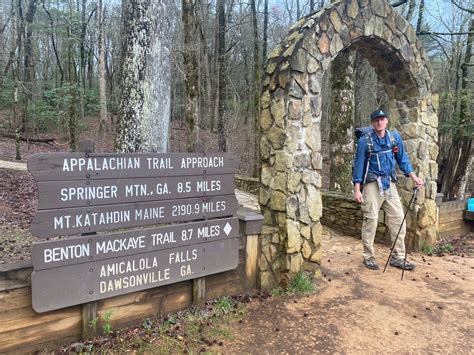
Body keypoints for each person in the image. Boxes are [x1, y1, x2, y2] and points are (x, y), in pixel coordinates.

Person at [352, 109, 424, 271]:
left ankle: (398, 257)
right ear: (372, 123)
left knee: (398, 219)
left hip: (389, 183)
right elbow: (359, 165)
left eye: (382, 119)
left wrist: (414, 177)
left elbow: (402, 160)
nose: (379, 122)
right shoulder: (365, 141)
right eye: (376, 120)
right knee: (371, 219)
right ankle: (368, 257)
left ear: (386, 121)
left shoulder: (394, 138)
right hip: (371, 183)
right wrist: (357, 189)